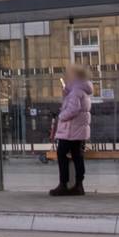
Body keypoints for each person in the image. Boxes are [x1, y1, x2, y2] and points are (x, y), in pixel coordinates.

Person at [49, 64, 92, 196]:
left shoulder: (75, 91)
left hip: (70, 131)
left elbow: (73, 110)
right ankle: (79, 185)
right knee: (77, 156)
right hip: (78, 131)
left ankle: (64, 184)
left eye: (68, 74)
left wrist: (61, 116)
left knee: (62, 155)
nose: (65, 76)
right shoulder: (81, 89)